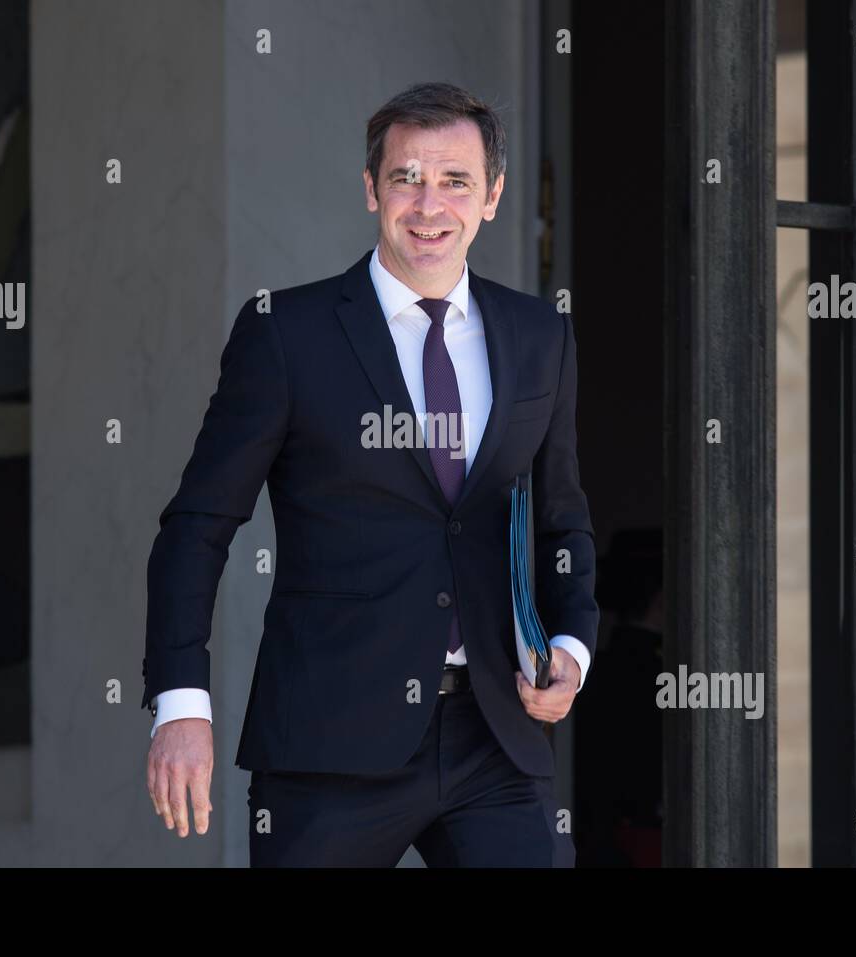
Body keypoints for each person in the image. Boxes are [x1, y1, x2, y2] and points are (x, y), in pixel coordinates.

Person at [141, 82, 598, 866]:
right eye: (405, 178)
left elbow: (562, 518)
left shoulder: (540, 338)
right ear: (369, 190)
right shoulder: (285, 334)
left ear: (492, 196)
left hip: (494, 739)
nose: (429, 205)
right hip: (327, 745)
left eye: (455, 181)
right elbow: (198, 525)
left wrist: (571, 645)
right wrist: (180, 703)